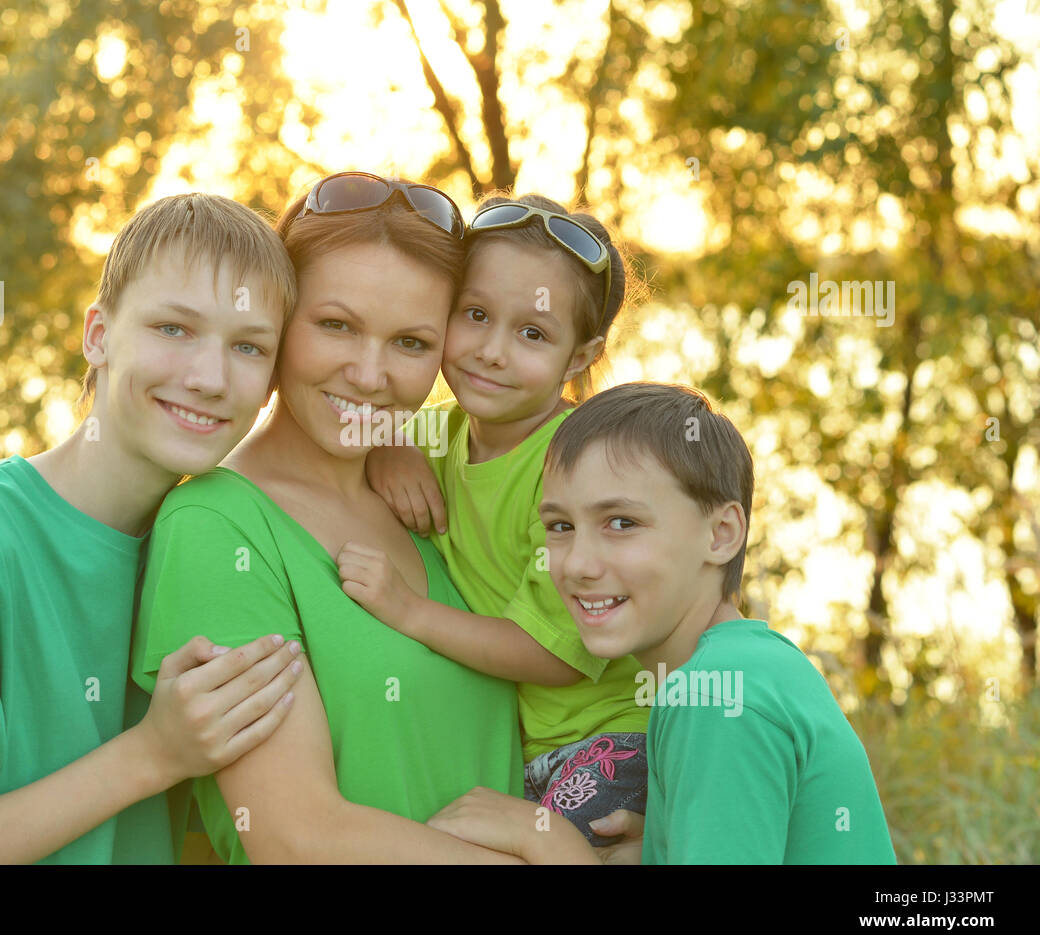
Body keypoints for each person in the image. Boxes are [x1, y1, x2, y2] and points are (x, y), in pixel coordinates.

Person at [0, 194, 304, 864]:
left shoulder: (215, 546)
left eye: (249, 346)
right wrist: (152, 754)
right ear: (98, 334)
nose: (209, 377)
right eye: (173, 328)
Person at [131, 171, 532, 864]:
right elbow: (298, 835)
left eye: (410, 343)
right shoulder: (215, 526)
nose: (370, 375)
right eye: (336, 325)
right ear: (281, 321)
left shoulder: (440, 498)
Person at [429, 382, 897, 864]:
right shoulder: (748, 668)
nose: (577, 565)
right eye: (560, 527)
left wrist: (551, 843)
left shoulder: (717, 696)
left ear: (721, 534)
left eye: (621, 523)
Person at [353, 194, 649, 845]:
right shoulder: (441, 430)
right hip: (525, 753)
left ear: (579, 356)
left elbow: (555, 654)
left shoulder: (576, 467)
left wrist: (409, 612)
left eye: (532, 333)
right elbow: (345, 424)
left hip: (612, 745)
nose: (491, 351)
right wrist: (387, 444)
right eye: (476, 315)